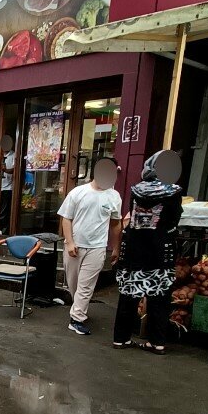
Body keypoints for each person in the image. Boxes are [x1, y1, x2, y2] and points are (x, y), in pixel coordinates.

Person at [113, 151, 184, 355]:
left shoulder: (137, 190)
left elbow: (132, 217)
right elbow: (174, 219)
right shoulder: (173, 192)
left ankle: (121, 339)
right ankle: (157, 342)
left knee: (128, 295)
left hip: (134, 249)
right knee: (159, 298)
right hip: (160, 251)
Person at [58, 158, 122, 336]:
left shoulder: (114, 196)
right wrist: (70, 242)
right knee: (74, 284)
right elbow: (66, 218)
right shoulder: (78, 192)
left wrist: (116, 247)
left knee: (86, 286)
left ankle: (76, 319)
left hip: (97, 247)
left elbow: (116, 224)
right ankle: (78, 309)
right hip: (75, 245)